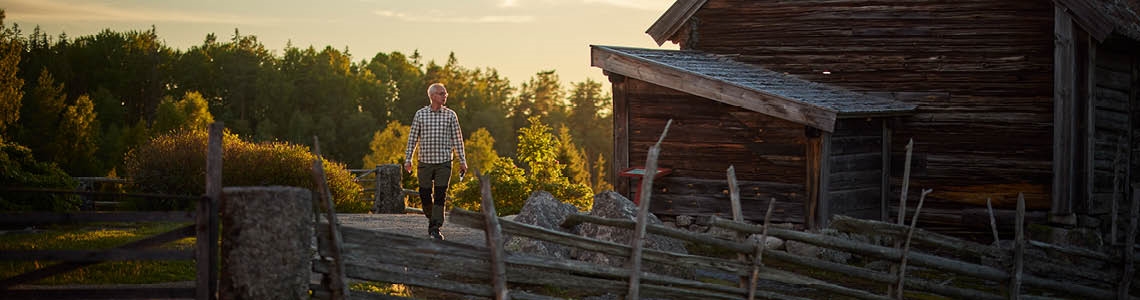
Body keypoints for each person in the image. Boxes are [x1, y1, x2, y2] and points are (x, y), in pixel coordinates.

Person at [404, 83, 467, 240]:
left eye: (446, 93)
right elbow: (412, 138)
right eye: (441, 93)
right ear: (432, 96)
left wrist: (462, 160)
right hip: (425, 162)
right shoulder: (420, 114)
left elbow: (458, 140)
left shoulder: (451, 115)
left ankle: (435, 227)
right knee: (424, 194)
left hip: (444, 162)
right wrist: (408, 159)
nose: (445, 95)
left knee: (440, 194)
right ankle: (432, 217)